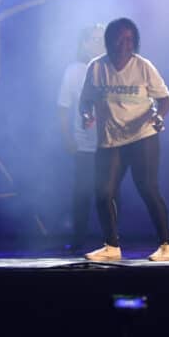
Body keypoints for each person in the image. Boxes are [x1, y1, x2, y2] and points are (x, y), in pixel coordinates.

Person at [79, 18, 169, 262]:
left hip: (142, 136)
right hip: (110, 139)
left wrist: (158, 116)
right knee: (103, 193)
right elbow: (85, 101)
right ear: (109, 40)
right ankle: (111, 246)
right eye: (120, 38)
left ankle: (166, 246)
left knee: (148, 189)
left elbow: (165, 100)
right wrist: (86, 115)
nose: (125, 44)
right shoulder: (96, 67)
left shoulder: (143, 67)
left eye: (130, 39)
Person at [56, 24, 104, 251]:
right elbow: (63, 107)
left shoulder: (114, 68)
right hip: (84, 145)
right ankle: (78, 240)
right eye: (95, 39)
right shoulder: (74, 71)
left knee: (109, 194)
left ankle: (111, 241)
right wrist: (67, 137)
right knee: (82, 193)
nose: (99, 44)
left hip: (110, 144)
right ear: (84, 44)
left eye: (102, 40)